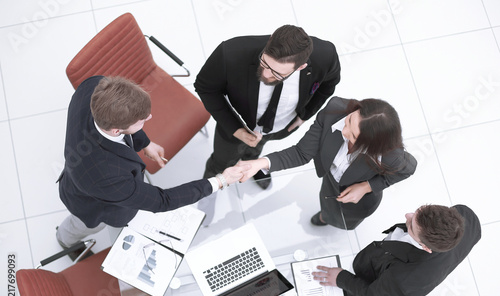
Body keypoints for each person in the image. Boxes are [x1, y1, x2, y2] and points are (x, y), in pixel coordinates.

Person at [57, 75, 247, 259]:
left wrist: (145, 143)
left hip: (84, 173)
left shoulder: (93, 86)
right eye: (142, 121)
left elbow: (124, 127)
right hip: (90, 203)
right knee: (83, 224)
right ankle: (64, 241)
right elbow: (162, 201)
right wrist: (220, 180)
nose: (150, 117)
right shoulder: (106, 175)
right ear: (116, 130)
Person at [194, 24, 341, 190]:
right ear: (269, 41)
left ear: (301, 67)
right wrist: (236, 130)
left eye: (278, 74)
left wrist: (303, 116)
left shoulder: (326, 55)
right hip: (234, 125)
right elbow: (205, 87)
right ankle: (210, 184)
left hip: (279, 127)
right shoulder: (230, 52)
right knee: (221, 161)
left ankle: (254, 164)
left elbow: (330, 84)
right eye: (264, 63)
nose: (266, 74)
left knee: (258, 148)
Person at [238, 97, 417, 230]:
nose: (344, 131)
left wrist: (366, 187)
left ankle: (329, 219)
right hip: (330, 180)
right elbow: (301, 153)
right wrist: (260, 163)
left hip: (359, 199)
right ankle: (326, 216)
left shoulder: (391, 155)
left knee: (344, 219)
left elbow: (408, 169)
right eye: (348, 121)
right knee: (326, 202)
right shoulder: (335, 110)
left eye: (354, 136)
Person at [312, 204, 481, 296]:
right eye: (418, 212)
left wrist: (341, 278)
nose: (407, 215)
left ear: (425, 247)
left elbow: (373, 295)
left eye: (412, 226)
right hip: (397, 260)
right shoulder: (464, 215)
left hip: (383, 282)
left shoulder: (405, 279)